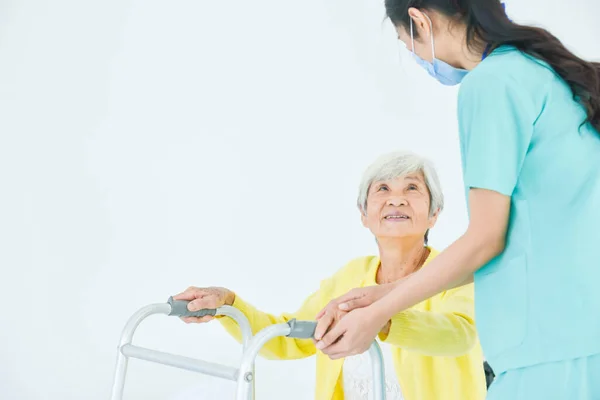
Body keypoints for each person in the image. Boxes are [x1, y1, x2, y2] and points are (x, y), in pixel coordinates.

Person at [313, 1, 600, 399]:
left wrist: (380, 313)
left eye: (405, 43)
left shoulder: (493, 82)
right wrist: (386, 294)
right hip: (582, 338)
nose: (415, 56)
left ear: (418, 20)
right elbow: (523, 239)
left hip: (546, 350)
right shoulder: (547, 76)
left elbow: (486, 239)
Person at [173, 150, 487, 400]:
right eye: (382, 189)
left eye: (412, 188)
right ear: (364, 215)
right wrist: (229, 304)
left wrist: (382, 319)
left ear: (435, 213)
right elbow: (285, 340)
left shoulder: (456, 272)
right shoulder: (352, 276)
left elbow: (460, 335)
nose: (396, 198)